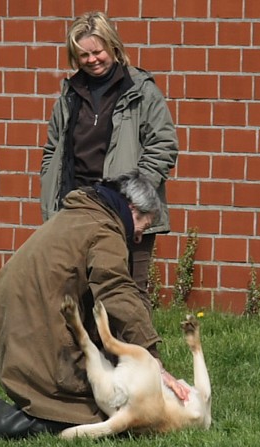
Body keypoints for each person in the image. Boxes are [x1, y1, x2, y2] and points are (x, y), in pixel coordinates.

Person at [0, 171, 189, 439]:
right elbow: (117, 292)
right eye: (141, 224)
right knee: (96, 416)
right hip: (30, 324)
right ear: (131, 207)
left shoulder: (84, 213)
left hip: (7, 315)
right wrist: (152, 358)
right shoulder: (105, 229)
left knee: (101, 395)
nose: (138, 237)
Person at [41, 11, 179, 313]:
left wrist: (133, 201)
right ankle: (86, 359)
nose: (91, 60)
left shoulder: (142, 91)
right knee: (78, 293)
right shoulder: (69, 95)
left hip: (127, 211)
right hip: (77, 210)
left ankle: (143, 359)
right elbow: (52, 150)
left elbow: (163, 145)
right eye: (83, 55)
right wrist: (52, 196)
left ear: (113, 47)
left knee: (127, 293)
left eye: (97, 51)